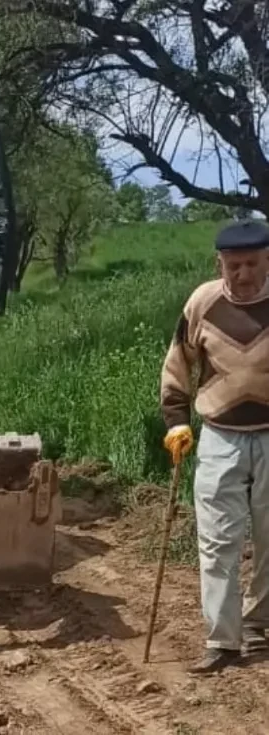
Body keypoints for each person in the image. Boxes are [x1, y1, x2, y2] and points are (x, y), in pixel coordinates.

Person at [160, 218, 269, 674]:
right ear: (217, 262)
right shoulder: (201, 303)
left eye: (251, 264)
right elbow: (178, 365)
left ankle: (261, 624)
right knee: (218, 541)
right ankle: (222, 641)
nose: (242, 274)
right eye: (232, 265)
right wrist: (175, 423)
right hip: (219, 438)